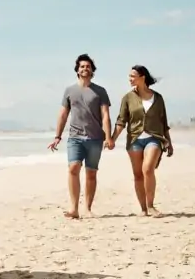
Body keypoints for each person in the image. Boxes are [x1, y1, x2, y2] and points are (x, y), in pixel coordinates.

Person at [47, 53, 113, 219]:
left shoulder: (100, 91)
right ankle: (74, 208)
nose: (85, 68)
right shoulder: (69, 91)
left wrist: (108, 137)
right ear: (77, 70)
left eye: (88, 66)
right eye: (82, 66)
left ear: (92, 70)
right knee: (73, 168)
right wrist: (57, 136)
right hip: (75, 137)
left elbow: (105, 114)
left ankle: (88, 208)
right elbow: (63, 114)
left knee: (91, 173)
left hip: (95, 138)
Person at [111, 65, 174, 218]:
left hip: (154, 137)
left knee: (147, 169)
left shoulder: (158, 98)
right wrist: (112, 139)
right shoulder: (127, 98)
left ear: (142, 77)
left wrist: (169, 142)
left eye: (133, 76)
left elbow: (163, 121)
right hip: (134, 140)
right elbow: (121, 121)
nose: (130, 79)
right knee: (138, 175)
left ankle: (151, 206)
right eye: (129, 76)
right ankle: (143, 209)